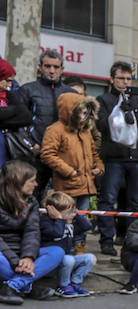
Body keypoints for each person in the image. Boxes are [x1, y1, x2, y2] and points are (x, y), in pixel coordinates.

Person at [96, 61, 138, 256]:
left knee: (135, 203)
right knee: (107, 199)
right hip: (114, 158)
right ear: (112, 79)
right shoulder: (104, 99)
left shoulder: (137, 99)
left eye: (128, 78)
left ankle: (131, 241)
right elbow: (102, 126)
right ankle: (106, 240)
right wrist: (120, 110)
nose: (125, 82)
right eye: (121, 78)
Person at [39, 92, 104, 254]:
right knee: (65, 217)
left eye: (87, 112)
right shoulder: (55, 130)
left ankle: (79, 245)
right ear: (71, 111)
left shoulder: (85, 131)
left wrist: (99, 166)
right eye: (82, 111)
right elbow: (47, 154)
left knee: (80, 219)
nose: (86, 115)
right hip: (66, 186)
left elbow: (94, 153)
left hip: (86, 184)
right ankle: (63, 246)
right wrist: (69, 171)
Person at [0, 160, 64, 304]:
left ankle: (12, 286)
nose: (36, 185)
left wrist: (28, 257)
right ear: (18, 181)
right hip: (4, 253)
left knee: (57, 252)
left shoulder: (32, 202)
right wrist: (16, 261)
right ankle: (27, 287)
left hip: (22, 251)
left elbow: (32, 232)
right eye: (32, 181)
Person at [18, 50, 78, 199]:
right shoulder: (27, 90)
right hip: (36, 155)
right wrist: (31, 145)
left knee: (63, 200)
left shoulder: (71, 94)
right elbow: (18, 123)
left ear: (62, 69)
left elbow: (80, 125)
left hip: (63, 157)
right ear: (40, 67)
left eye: (56, 67)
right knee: (30, 198)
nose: (52, 71)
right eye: (48, 66)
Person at [39, 191, 95, 298]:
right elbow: (56, 232)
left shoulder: (70, 222)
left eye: (73, 211)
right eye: (68, 212)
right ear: (55, 212)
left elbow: (87, 226)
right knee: (69, 259)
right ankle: (63, 286)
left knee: (90, 258)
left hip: (66, 262)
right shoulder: (45, 222)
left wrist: (76, 214)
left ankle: (75, 283)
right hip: (51, 263)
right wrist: (60, 220)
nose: (72, 215)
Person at [0, 58, 33, 168]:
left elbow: (26, 117)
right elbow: (19, 111)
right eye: (7, 80)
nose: (10, 85)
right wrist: (15, 111)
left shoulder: (8, 95)